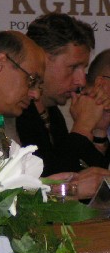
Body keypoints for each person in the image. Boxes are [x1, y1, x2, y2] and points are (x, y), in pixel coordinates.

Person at [16, 13, 110, 176]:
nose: (81, 81)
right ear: (41, 59)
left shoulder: (53, 113)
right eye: (73, 67)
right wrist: (82, 127)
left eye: (83, 68)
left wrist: (98, 131)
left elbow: (91, 180)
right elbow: (49, 182)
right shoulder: (17, 112)